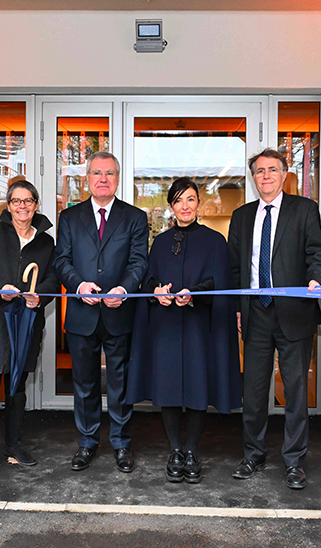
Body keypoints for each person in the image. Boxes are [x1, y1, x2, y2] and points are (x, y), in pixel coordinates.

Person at [127, 178, 242, 484]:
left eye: (190, 199)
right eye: (178, 201)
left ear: (199, 204)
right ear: (171, 207)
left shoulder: (215, 241)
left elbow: (221, 283)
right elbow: (148, 281)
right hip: (165, 326)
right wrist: (157, 292)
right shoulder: (161, 242)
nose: (185, 206)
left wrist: (195, 293)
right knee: (167, 388)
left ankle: (191, 451)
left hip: (197, 326)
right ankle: (175, 450)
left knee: (195, 387)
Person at [228, 148, 321, 490]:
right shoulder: (241, 217)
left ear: (285, 175)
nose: (266, 175)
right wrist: (240, 308)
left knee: (296, 392)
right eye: (259, 171)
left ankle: (294, 461)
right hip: (256, 313)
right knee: (254, 391)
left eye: (273, 169)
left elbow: (318, 251)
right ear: (253, 177)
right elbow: (235, 268)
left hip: (294, 314)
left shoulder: (304, 210)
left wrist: (316, 279)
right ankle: (253, 454)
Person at [52, 151, 148, 473]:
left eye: (109, 173)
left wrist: (123, 289)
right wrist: (79, 286)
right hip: (82, 313)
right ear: (87, 179)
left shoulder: (134, 217)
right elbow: (61, 261)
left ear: (117, 178)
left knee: (119, 383)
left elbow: (139, 262)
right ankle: (88, 442)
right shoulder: (69, 217)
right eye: (96, 173)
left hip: (119, 312)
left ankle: (121, 443)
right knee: (85, 383)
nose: (103, 178)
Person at [0, 181, 59, 482]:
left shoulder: (46, 243)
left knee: (17, 392)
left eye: (28, 201)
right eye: (16, 201)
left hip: (26, 326)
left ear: (36, 204)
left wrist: (38, 295)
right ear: (8, 205)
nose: (22, 206)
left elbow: (54, 281)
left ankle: (14, 446)